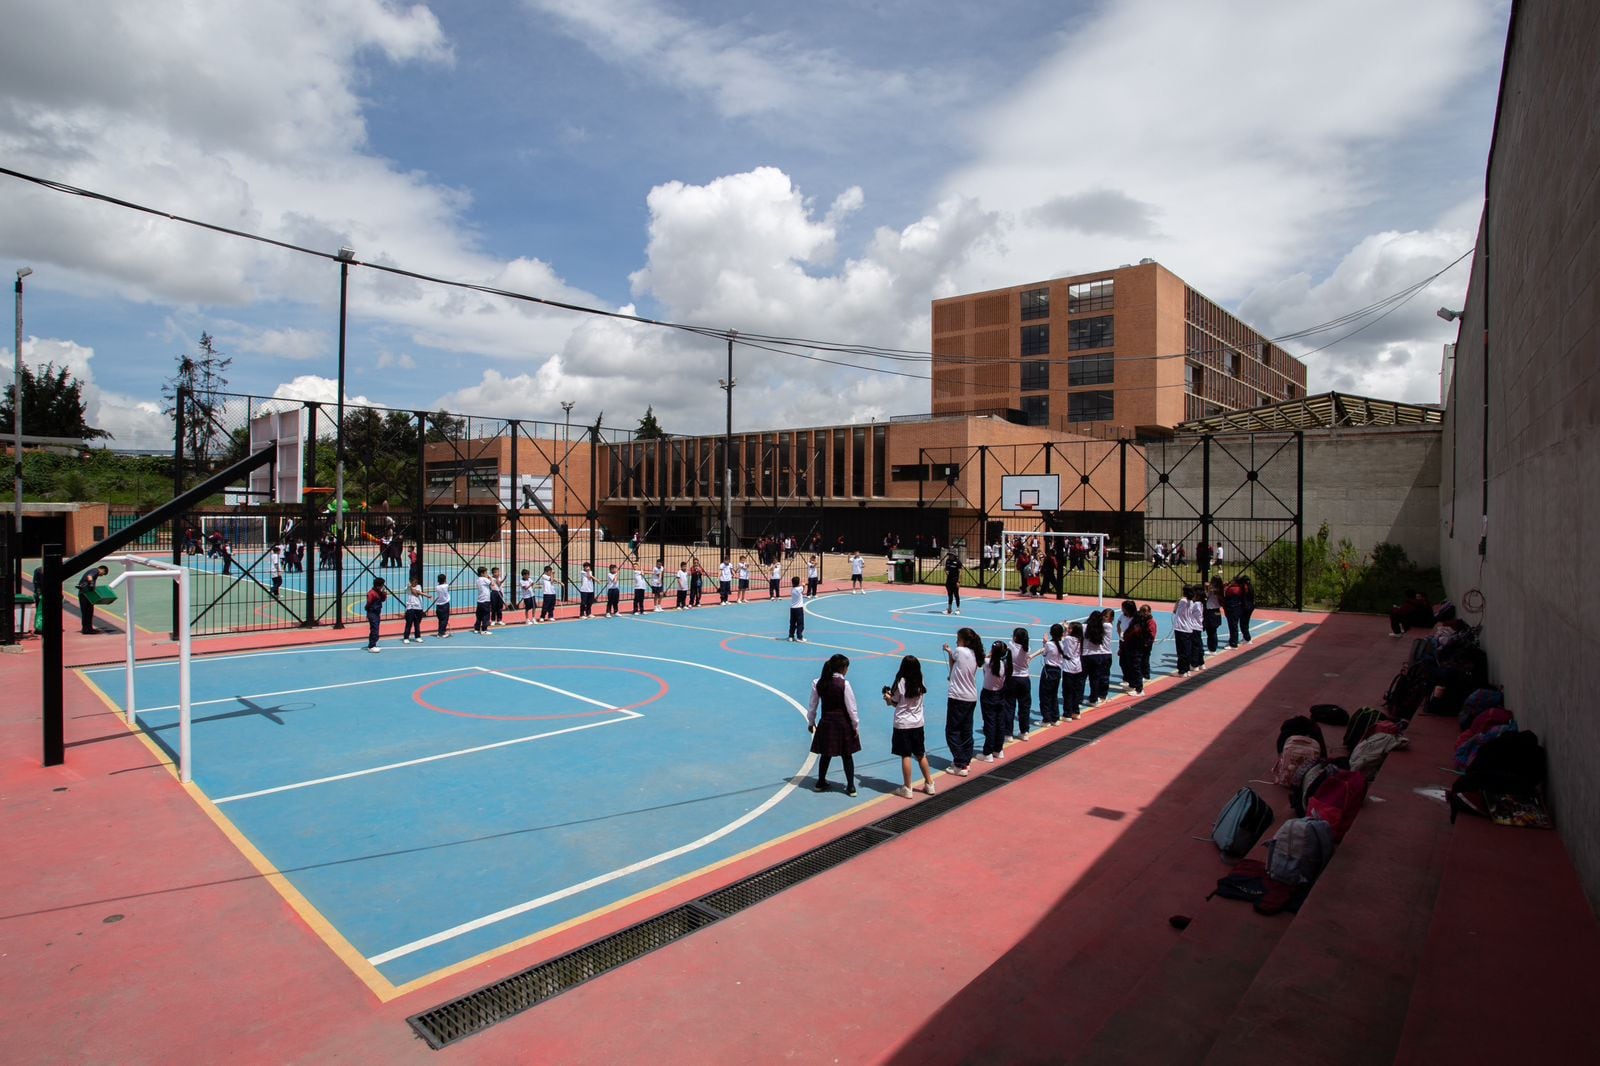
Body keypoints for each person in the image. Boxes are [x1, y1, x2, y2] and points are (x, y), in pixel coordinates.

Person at [807, 654, 861, 795]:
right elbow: (852, 708)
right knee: (847, 755)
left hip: (826, 723)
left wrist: (811, 721)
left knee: (825, 754)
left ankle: (820, 781)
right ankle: (850, 786)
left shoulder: (818, 682)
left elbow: (813, 705)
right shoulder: (844, 684)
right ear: (843, 668)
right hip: (843, 724)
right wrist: (855, 726)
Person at [883, 655, 936, 798]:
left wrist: (887, 697)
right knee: (920, 754)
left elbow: (894, 702)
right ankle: (929, 783)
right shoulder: (920, 680)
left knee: (905, 754)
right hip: (918, 722)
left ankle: (907, 787)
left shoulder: (900, 682)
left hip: (903, 723)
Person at [942, 627, 982, 778]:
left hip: (958, 696)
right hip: (971, 696)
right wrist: (949, 652)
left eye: (958, 639)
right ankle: (965, 759)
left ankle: (960, 763)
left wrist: (949, 651)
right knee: (966, 730)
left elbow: (954, 659)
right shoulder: (974, 653)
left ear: (964, 641)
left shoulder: (959, 651)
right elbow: (956, 667)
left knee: (952, 731)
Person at [980, 640, 1012, 763]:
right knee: (999, 721)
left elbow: (984, 661)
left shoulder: (988, 662)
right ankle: (998, 749)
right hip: (1000, 694)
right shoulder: (1005, 665)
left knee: (990, 723)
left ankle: (987, 752)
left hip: (988, 695)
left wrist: (990, 655)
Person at [1081, 609, 1114, 705]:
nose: (1104, 618)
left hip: (1090, 655)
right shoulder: (1101, 626)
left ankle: (1097, 696)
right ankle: (1095, 698)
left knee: (1084, 678)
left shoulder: (1105, 626)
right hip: (1099, 655)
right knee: (1096, 678)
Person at [1006, 626, 1034, 740]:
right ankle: (1024, 731)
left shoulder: (1010, 646)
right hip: (1024, 679)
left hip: (1012, 679)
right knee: (1025, 706)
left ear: (1015, 637)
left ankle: (1008, 733)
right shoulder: (1027, 648)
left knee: (1009, 706)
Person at [1037, 623, 1065, 727]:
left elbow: (1044, 654)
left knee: (1044, 695)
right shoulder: (1062, 644)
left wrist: (1044, 643)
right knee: (1053, 694)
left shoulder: (1049, 644)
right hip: (1057, 671)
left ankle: (1046, 719)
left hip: (1049, 670)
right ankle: (1055, 717)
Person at [1117, 600, 1146, 695]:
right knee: (1126, 663)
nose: (1122, 609)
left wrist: (1126, 635)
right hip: (1125, 644)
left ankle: (1139, 689)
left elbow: (1136, 630)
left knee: (1135, 666)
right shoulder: (1124, 616)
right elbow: (1119, 623)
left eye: (1123, 608)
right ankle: (1132, 684)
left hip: (1134, 645)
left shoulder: (1137, 618)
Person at [75, 565, 111, 634]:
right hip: (85, 594)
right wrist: (91, 584)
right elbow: (89, 577)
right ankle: (86, 629)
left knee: (88, 612)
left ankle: (88, 628)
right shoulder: (95, 571)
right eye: (103, 574)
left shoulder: (94, 571)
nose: (101, 575)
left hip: (86, 594)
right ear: (102, 570)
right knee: (87, 612)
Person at [1061, 621, 1086, 720]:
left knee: (1067, 691)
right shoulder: (1080, 639)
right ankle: (1076, 711)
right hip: (1078, 666)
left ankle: (1067, 713)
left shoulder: (1068, 639)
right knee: (1076, 690)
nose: (1068, 629)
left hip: (1069, 667)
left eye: (1070, 628)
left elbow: (1063, 637)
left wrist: (1065, 628)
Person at [364, 577, 388, 653]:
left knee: (375, 628)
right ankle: (371, 646)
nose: (383, 587)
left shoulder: (379, 592)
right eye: (382, 585)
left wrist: (384, 593)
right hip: (372, 613)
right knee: (374, 629)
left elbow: (383, 599)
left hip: (377, 613)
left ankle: (373, 644)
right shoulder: (372, 593)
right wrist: (369, 611)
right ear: (378, 586)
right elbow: (368, 603)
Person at [1223, 575, 1245, 648]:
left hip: (1232, 609)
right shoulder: (1240, 588)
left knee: (1233, 626)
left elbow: (1226, 592)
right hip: (1237, 608)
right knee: (1234, 625)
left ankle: (1233, 643)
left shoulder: (1234, 589)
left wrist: (1226, 586)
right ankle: (1233, 641)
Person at [402, 578, 425, 644]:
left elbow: (417, 594)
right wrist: (410, 587)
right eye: (413, 582)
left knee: (417, 623)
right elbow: (414, 593)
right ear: (410, 582)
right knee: (409, 623)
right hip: (410, 607)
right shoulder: (407, 588)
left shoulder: (419, 586)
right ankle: (406, 637)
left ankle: (417, 637)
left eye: (416, 582)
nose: (415, 583)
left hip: (418, 607)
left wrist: (411, 588)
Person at [1204, 576, 1224, 653]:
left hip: (1212, 611)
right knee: (1212, 631)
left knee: (1211, 631)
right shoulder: (1220, 589)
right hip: (1216, 611)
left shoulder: (1214, 590)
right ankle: (1212, 648)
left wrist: (1207, 588)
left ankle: (1212, 649)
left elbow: (1206, 595)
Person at [473, 567, 493, 634]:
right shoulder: (484, 579)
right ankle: (484, 629)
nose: (487, 574)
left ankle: (477, 628)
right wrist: (490, 579)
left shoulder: (478, 580)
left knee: (479, 615)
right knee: (486, 615)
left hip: (480, 600)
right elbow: (492, 584)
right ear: (482, 573)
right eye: (486, 573)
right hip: (485, 600)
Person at [786, 576, 806, 642]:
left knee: (792, 623)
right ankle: (799, 637)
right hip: (799, 609)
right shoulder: (799, 588)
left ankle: (791, 636)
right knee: (800, 623)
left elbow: (801, 587)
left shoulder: (793, 589)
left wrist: (802, 585)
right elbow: (803, 587)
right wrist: (804, 585)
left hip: (792, 608)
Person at [1237, 575, 1256, 643]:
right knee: (1245, 622)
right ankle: (1246, 637)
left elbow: (1242, 597)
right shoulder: (1250, 586)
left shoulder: (1244, 587)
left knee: (1243, 623)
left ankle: (1247, 638)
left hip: (1246, 607)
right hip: (1250, 606)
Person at [433, 574, 452, 638]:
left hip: (438, 605)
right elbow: (447, 588)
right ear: (444, 579)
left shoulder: (437, 587)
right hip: (445, 604)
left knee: (440, 619)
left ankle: (440, 632)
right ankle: (442, 633)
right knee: (445, 619)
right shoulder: (446, 586)